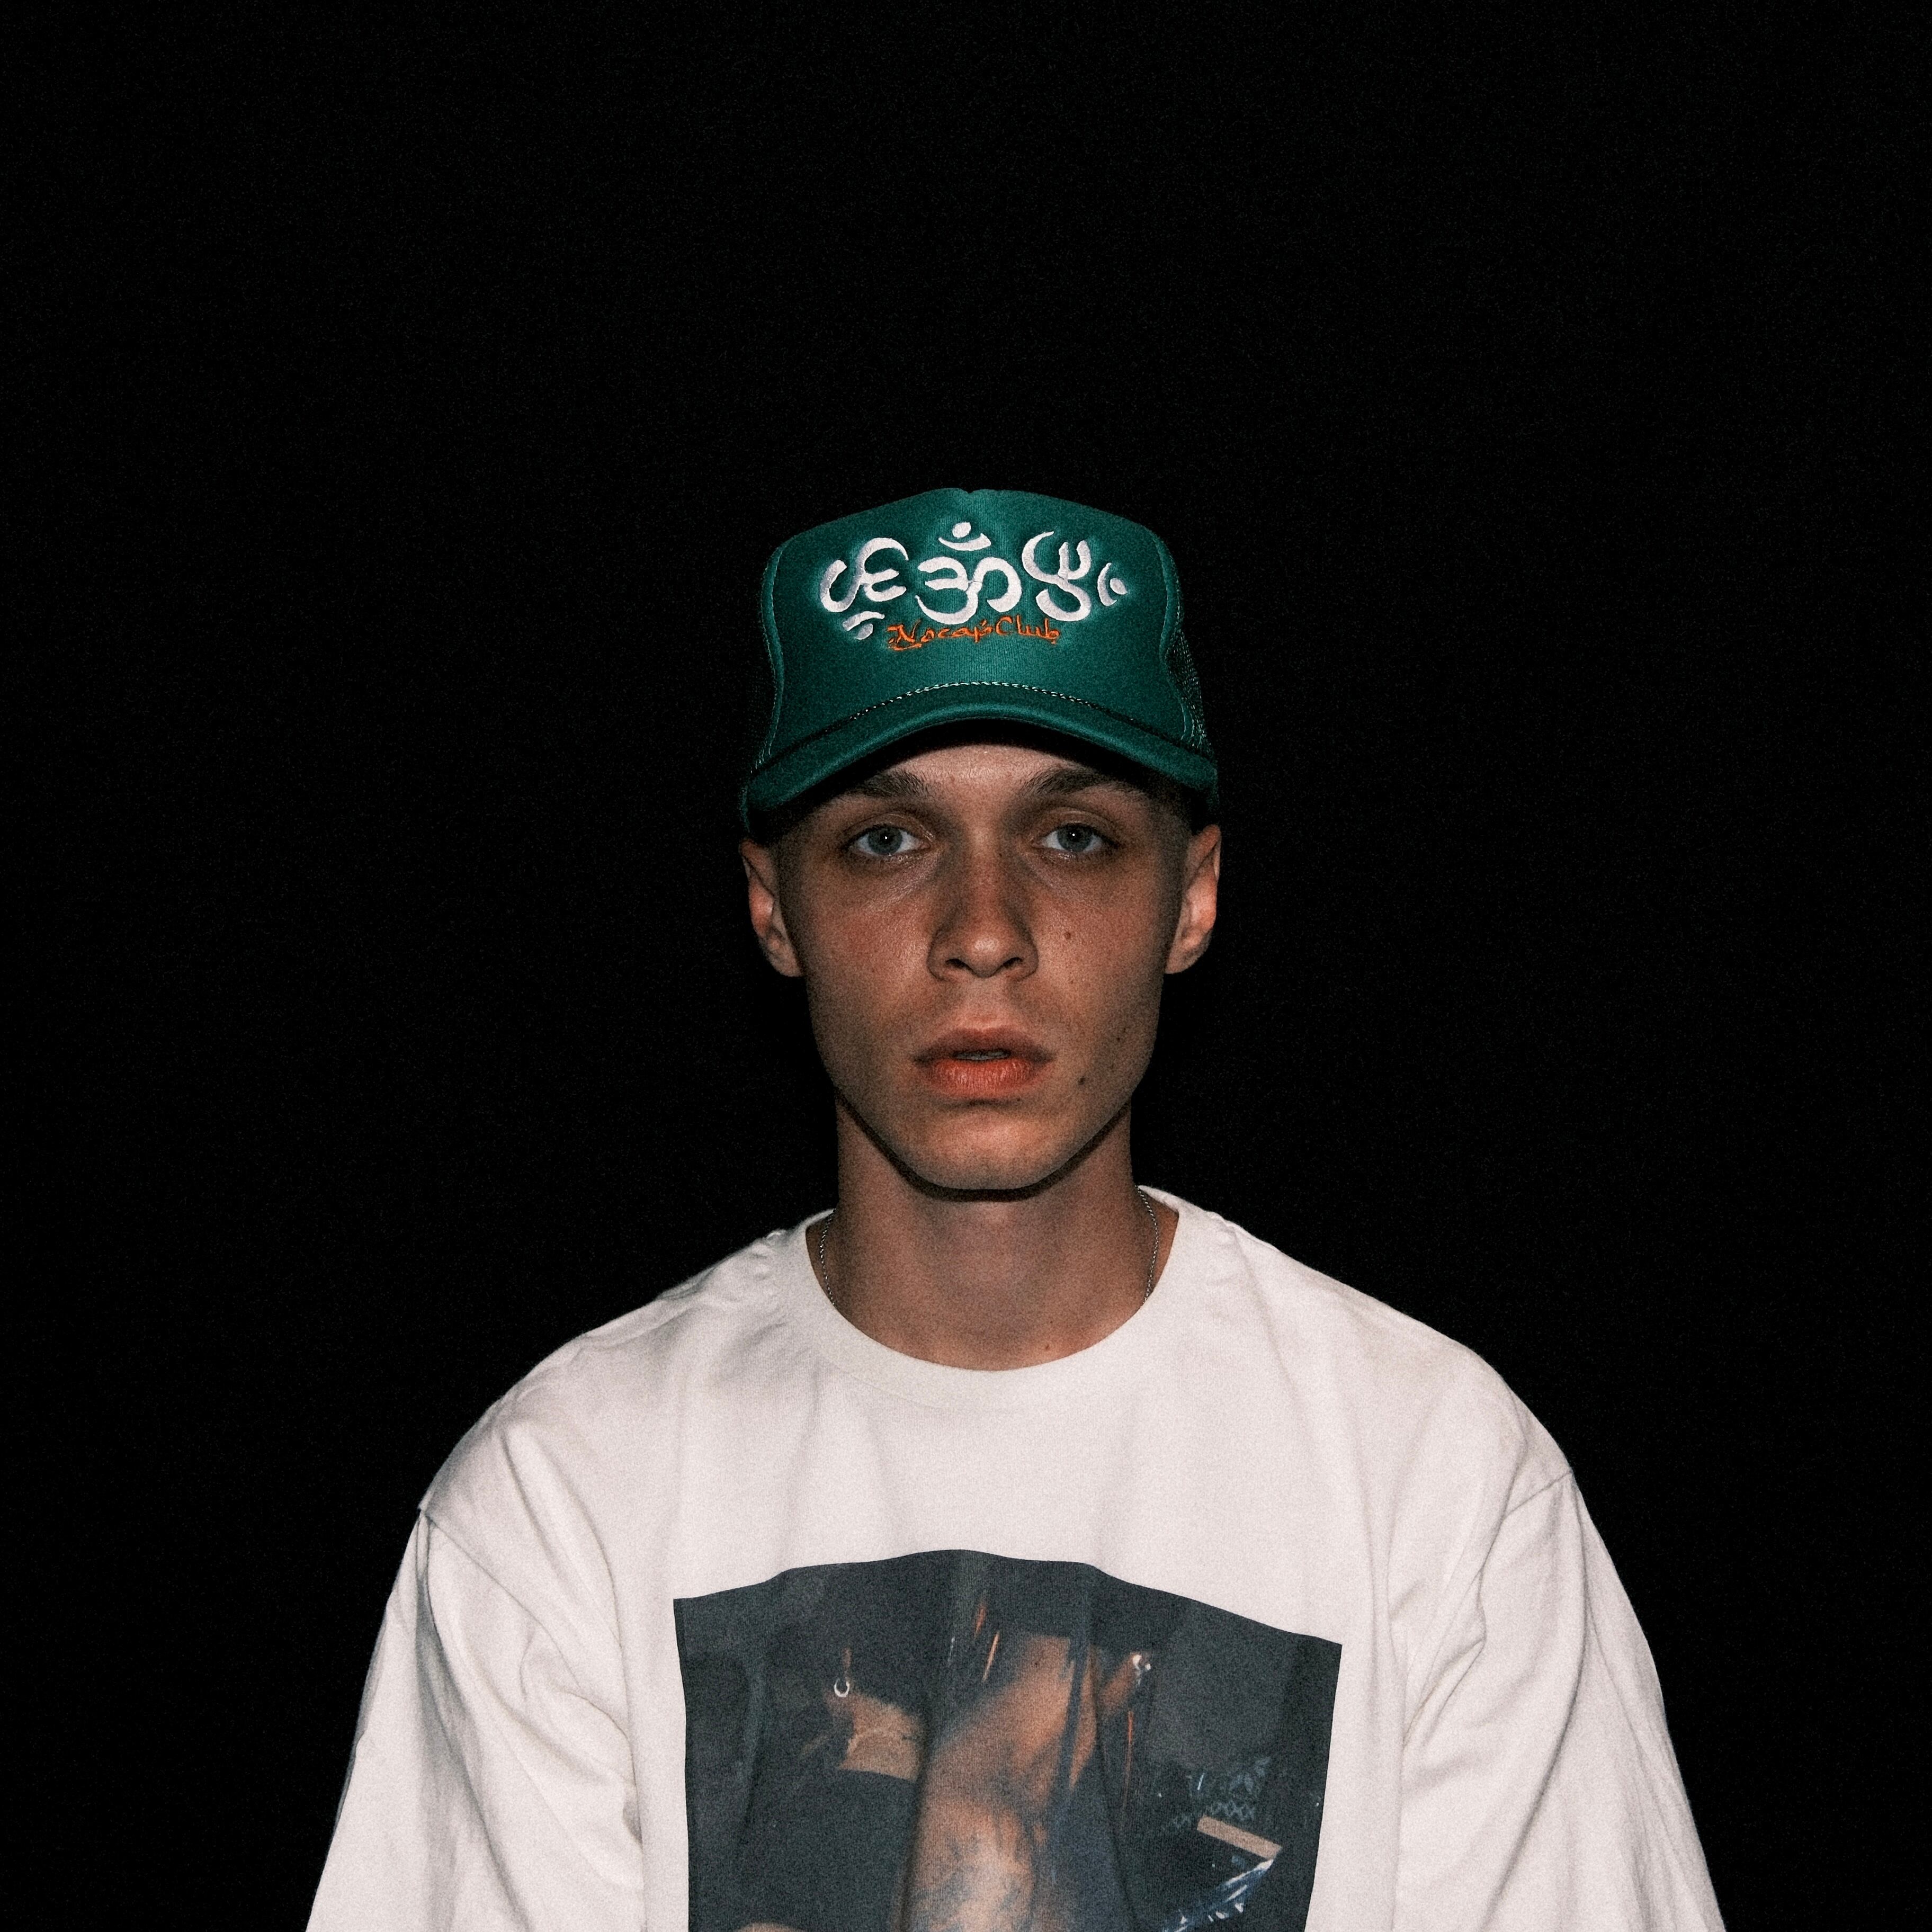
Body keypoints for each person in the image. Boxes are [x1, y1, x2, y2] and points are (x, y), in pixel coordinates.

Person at [309, 488, 1723, 1930]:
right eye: (886, 840)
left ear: (1194, 897)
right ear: (773, 907)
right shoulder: (564, 1497)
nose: (982, 932)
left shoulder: (1435, 1481)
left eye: (1074, 838)